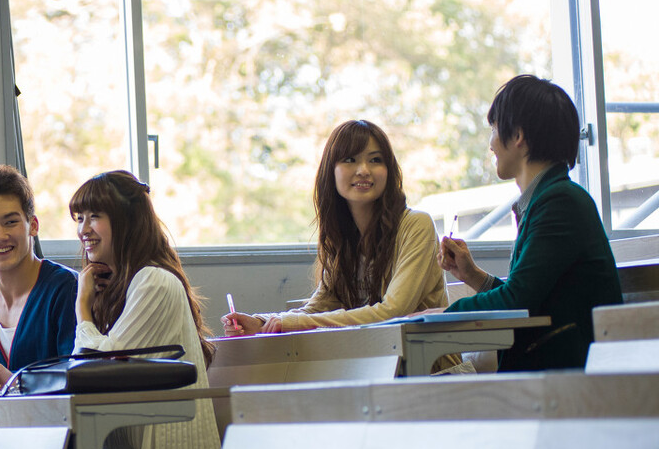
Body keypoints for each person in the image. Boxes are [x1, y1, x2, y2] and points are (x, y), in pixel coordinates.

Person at [438, 75, 622, 371]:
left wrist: (439, 315)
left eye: (495, 129)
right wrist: (472, 275)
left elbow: (517, 301)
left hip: (571, 382)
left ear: (519, 136)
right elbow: (529, 297)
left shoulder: (560, 202)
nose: (491, 143)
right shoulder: (552, 198)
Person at [221, 120, 451, 338]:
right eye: (350, 159)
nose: (363, 170)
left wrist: (288, 323)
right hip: (375, 365)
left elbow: (392, 312)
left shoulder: (416, 225)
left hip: (432, 371)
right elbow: (318, 308)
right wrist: (260, 322)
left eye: (375, 160)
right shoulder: (343, 236)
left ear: (389, 170)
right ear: (331, 171)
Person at [70, 170, 219, 449]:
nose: (83, 229)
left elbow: (104, 365)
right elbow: (83, 371)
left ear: (126, 221)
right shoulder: (118, 285)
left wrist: (82, 309)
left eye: (94, 216)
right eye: (79, 218)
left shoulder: (154, 281)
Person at [0, 165, 77, 390]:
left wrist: (14, 383)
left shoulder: (66, 288)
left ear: (33, 226)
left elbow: (74, 374)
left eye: (11, 222)